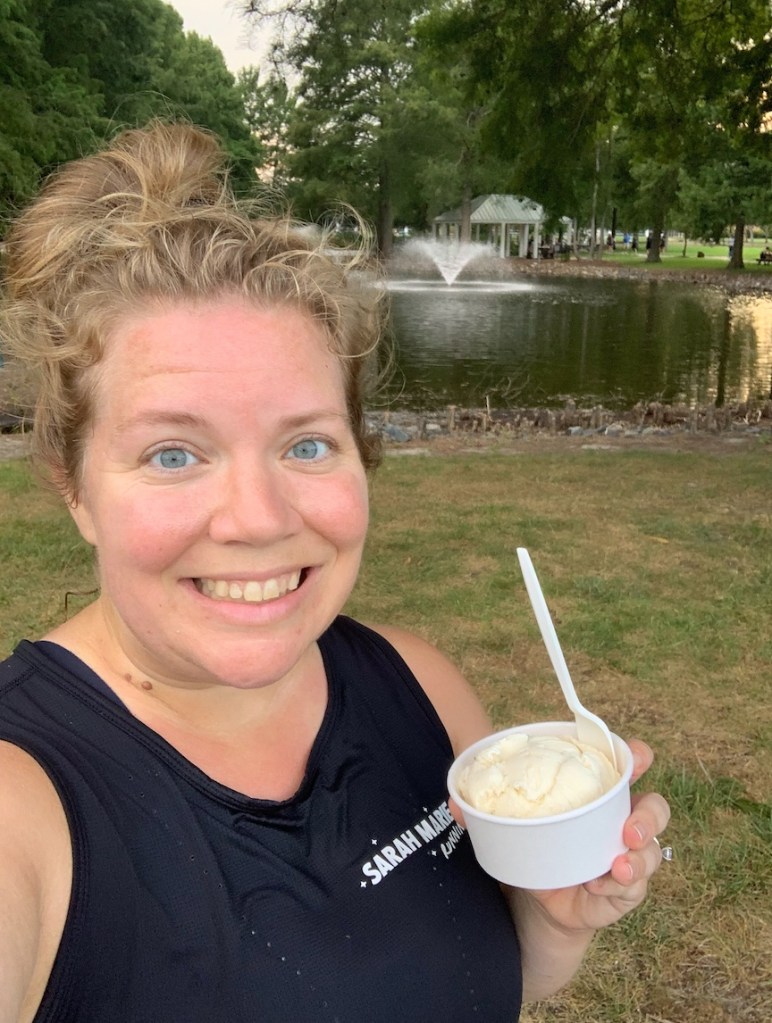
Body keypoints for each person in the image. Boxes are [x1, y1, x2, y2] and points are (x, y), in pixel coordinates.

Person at [0, 122, 670, 1022]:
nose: (260, 518)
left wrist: (554, 924)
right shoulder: (22, 801)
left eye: (307, 443)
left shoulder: (423, 689)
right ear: (73, 488)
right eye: (172, 454)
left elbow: (475, 987)